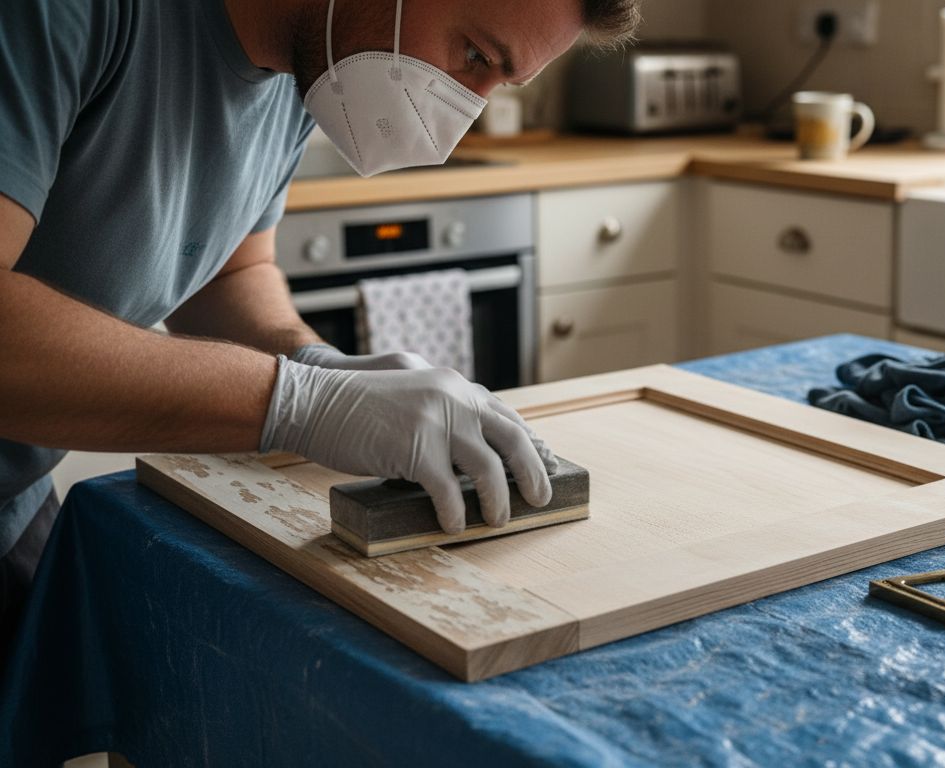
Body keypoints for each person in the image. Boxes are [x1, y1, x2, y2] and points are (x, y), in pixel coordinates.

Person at [0, 0, 641, 659]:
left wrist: (317, 363)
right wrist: (297, 403)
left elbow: (229, 271)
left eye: (497, 83)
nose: (464, 109)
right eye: (474, 56)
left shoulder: (311, 61)